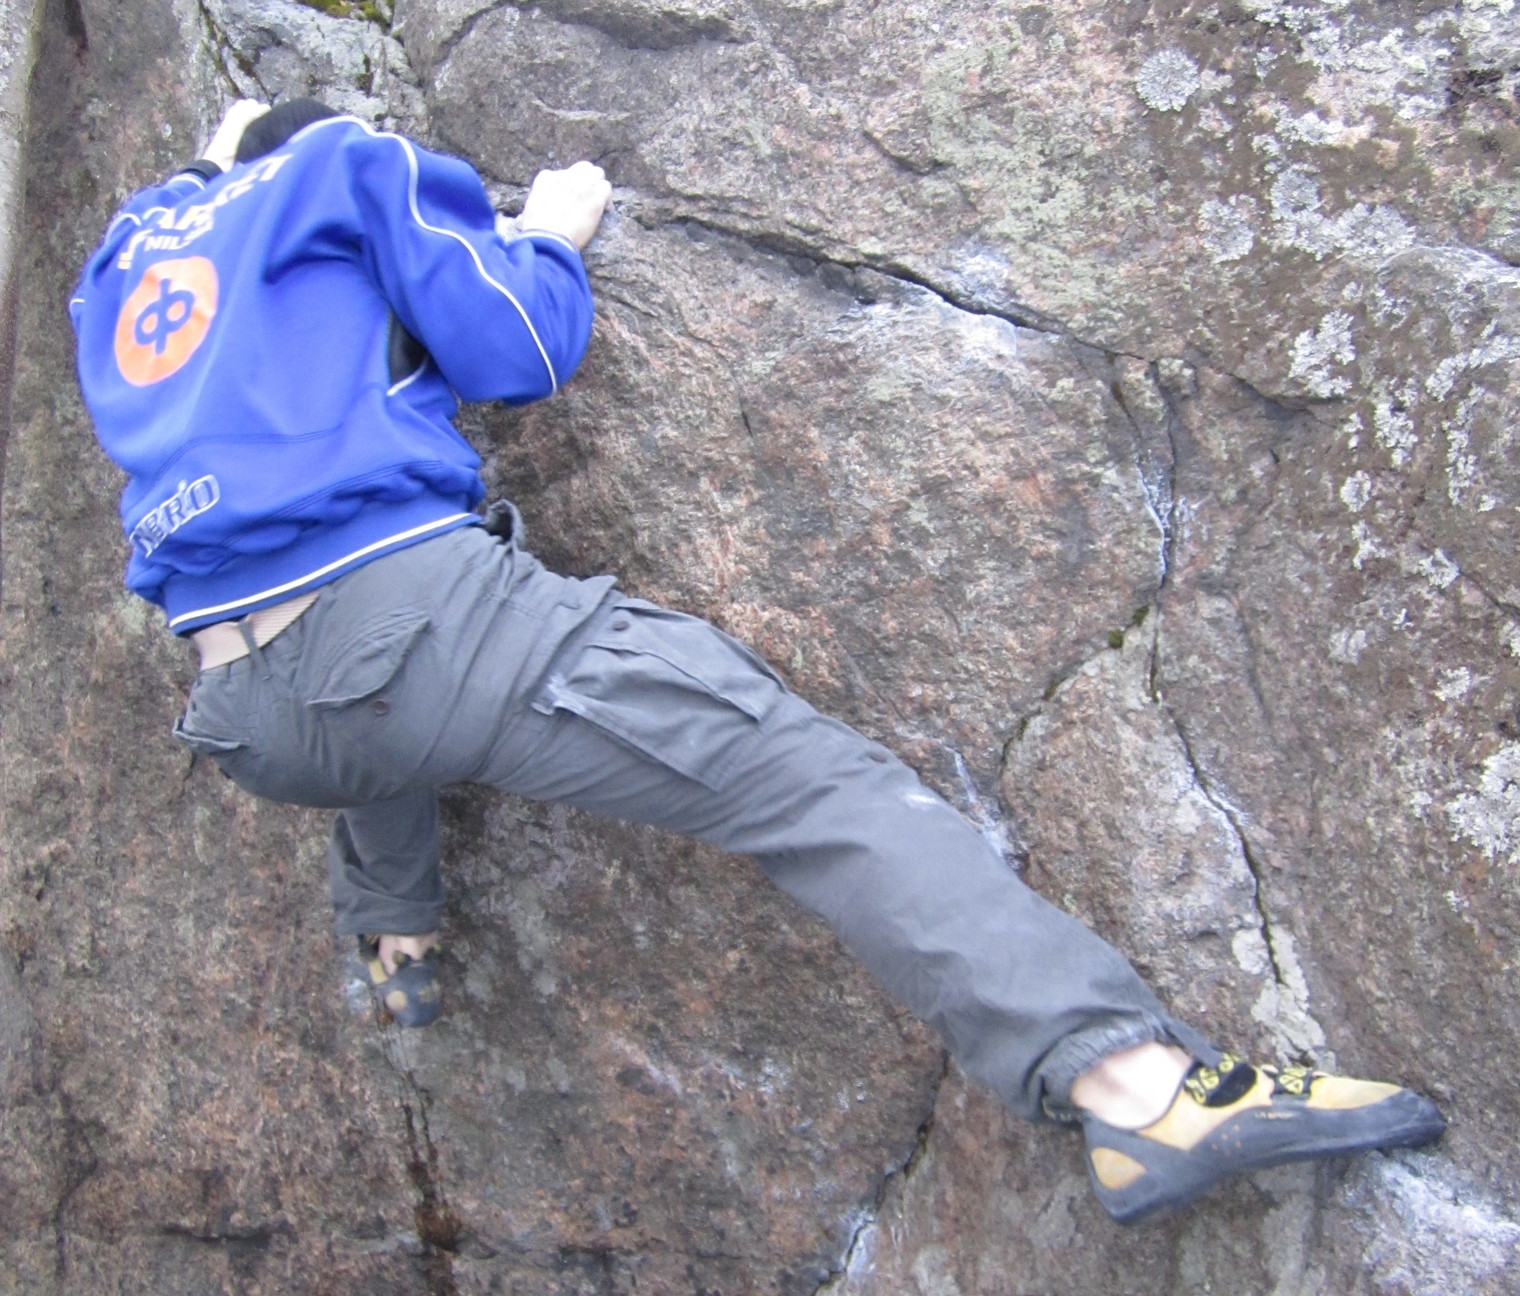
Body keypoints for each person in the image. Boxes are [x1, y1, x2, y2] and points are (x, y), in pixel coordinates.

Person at [70, 97, 1446, 1225]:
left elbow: (269, 456)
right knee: (810, 788)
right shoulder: (337, 163)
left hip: (245, 712)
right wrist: (545, 236)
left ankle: (394, 929)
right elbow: (521, 345)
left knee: (378, 697)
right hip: (410, 623)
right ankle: (1136, 1091)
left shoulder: (118, 268)